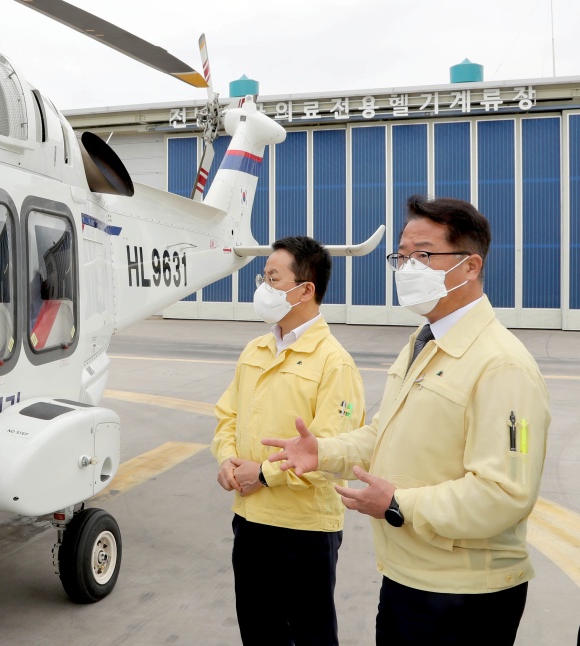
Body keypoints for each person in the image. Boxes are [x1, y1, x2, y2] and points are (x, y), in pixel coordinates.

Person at [263, 195, 550, 646]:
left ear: (470, 266)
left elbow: (504, 494)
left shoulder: (501, 365)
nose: (407, 267)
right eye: (402, 256)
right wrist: (324, 451)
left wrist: (399, 504)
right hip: (407, 579)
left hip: (463, 596)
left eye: (424, 255)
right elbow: (384, 432)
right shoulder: (423, 341)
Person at [212, 235, 365, 646]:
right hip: (250, 521)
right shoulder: (255, 350)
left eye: (273, 279)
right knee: (259, 631)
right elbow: (228, 415)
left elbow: (336, 453)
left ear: (305, 289)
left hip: (304, 530)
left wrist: (263, 474)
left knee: (309, 635)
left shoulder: (335, 364)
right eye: (264, 278)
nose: (264, 288)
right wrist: (227, 459)